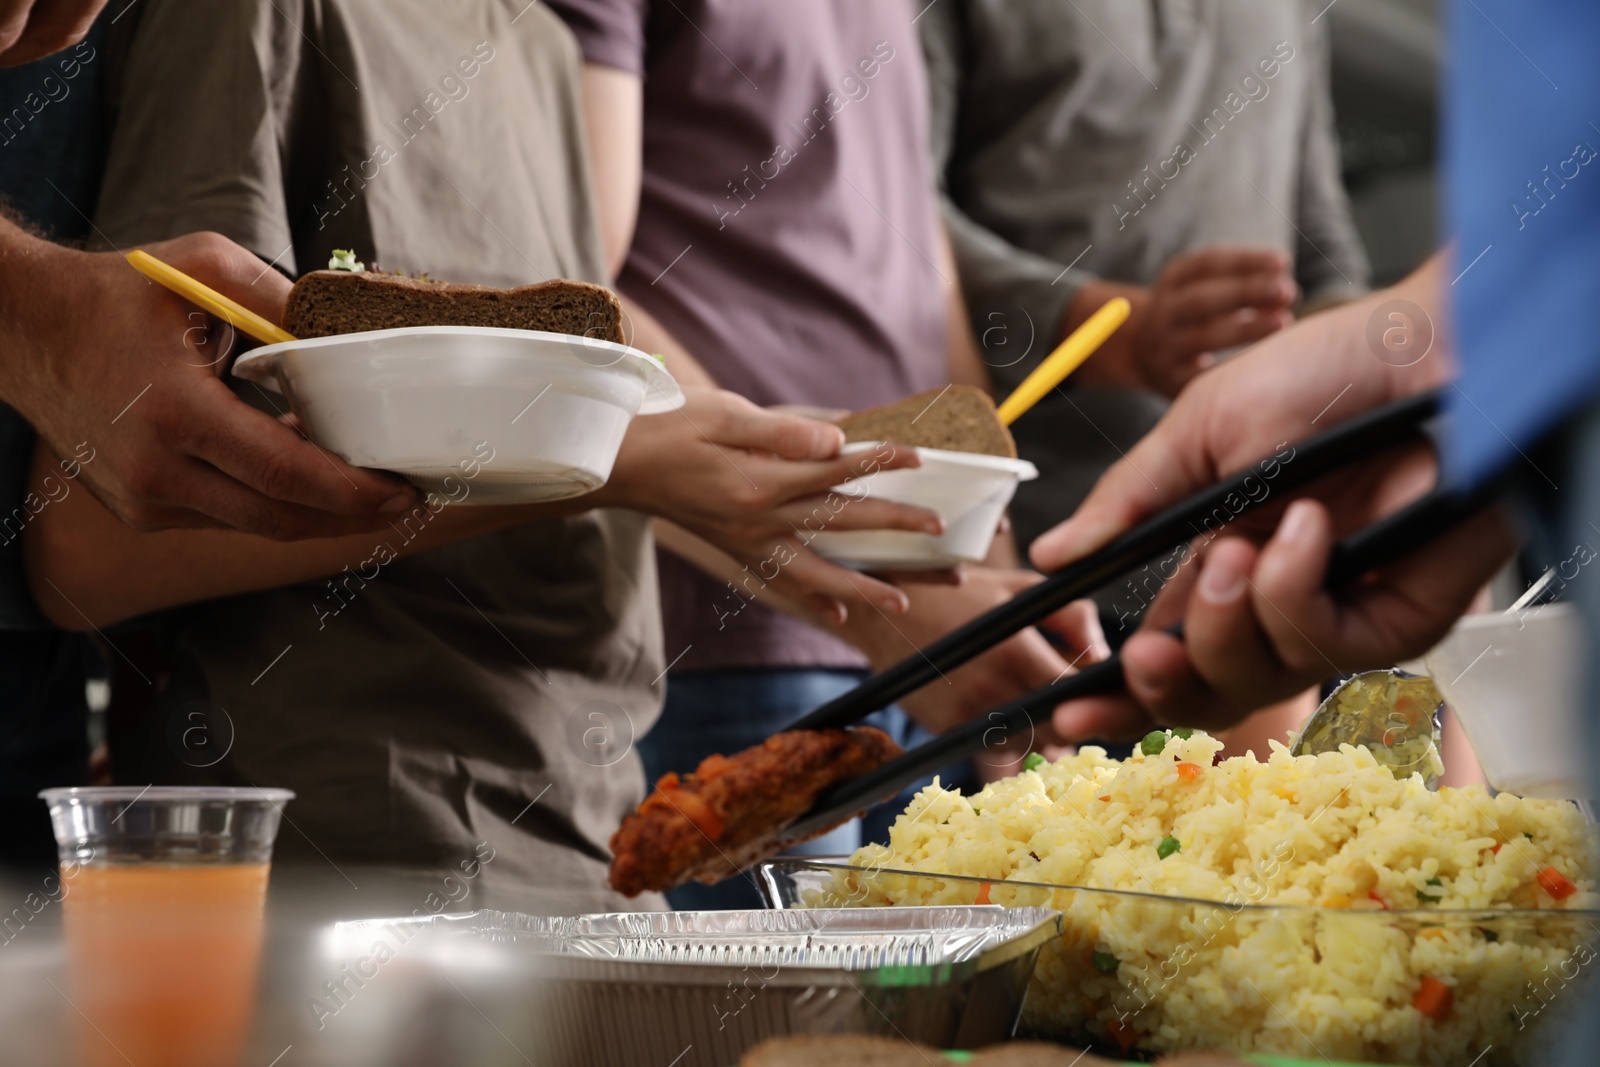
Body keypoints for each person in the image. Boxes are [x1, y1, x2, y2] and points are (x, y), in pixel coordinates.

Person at [22, 0, 949, 914]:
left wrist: (675, 468)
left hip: (606, 855)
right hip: (362, 874)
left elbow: (623, 450)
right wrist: (609, 456)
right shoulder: (245, 17)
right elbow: (88, 552)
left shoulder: (542, 43)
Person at [545, 0, 1108, 908]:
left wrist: (983, 578)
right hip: (742, 634)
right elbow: (575, 282)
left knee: (904, 1028)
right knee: (784, 1029)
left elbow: (927, 284)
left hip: (924, 613)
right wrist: (883, 605)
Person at [920, 0, 1369, 560]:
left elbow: (1318, 241)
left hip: (1255, 530)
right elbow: (897, 216)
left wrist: (1367, 365)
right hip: (1035, 531)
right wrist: (1115, 335)